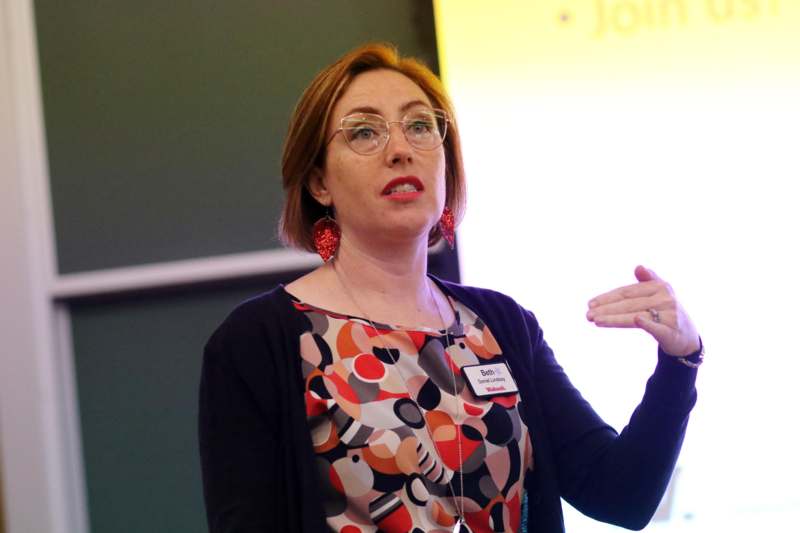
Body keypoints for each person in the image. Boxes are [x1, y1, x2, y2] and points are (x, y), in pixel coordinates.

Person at [198, 43, 702, 533]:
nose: (400, 150)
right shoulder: (259, 341)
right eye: (364, 133)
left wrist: (680, 362)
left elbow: (622, 495)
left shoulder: (502, 325)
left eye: (420, 126)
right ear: (318, 183)